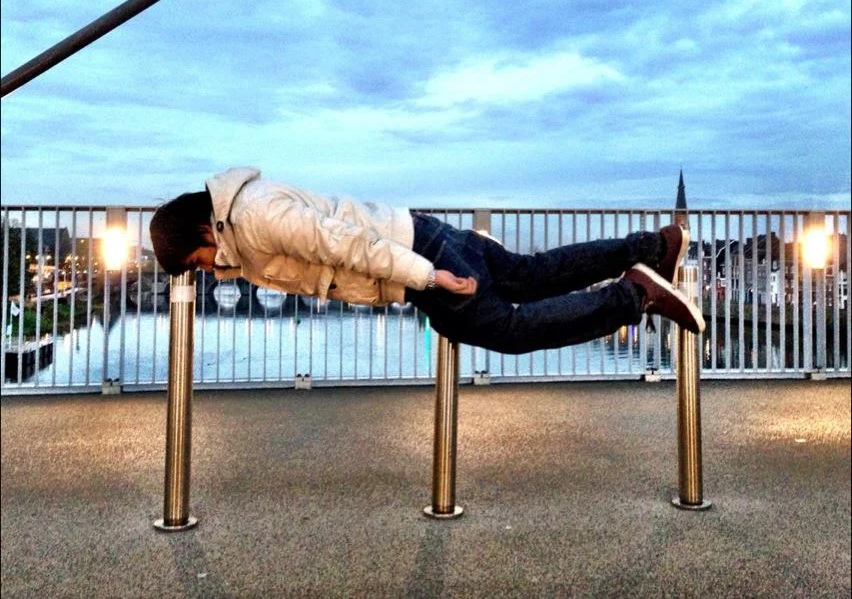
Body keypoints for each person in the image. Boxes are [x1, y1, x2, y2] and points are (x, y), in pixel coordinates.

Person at [150, 167, 705, 354]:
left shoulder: (255, 217)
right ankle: (654, 248)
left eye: (195, 260)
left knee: (506, 330)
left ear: (201, 227)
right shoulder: (239, 229)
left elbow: (344, 244)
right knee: (529, 276)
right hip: (423, 234)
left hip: (418, 259)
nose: (204, 268)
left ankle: (637, 293)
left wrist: (426, 277)